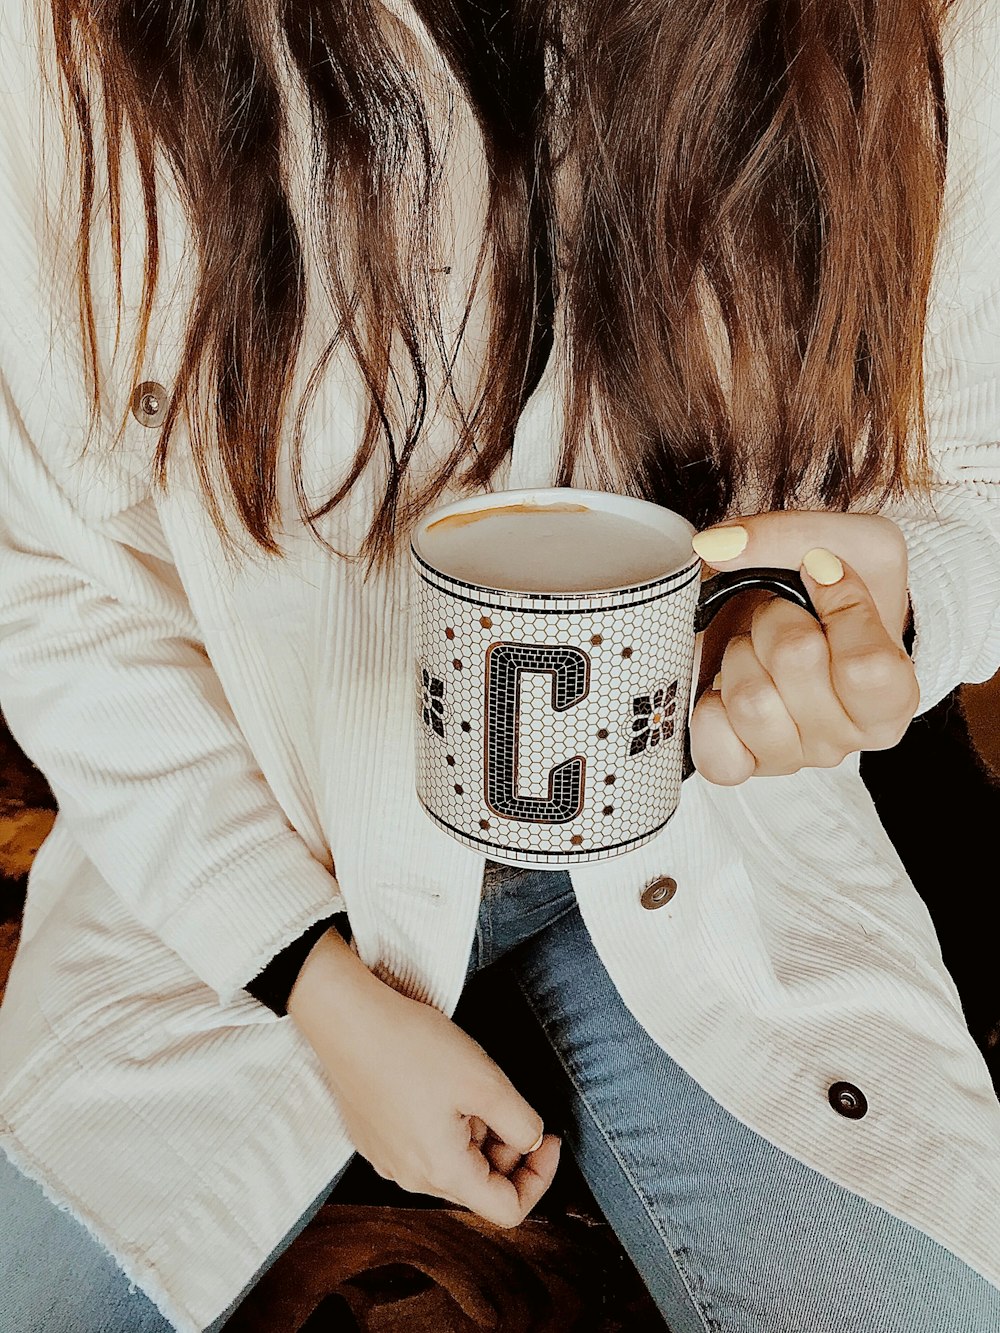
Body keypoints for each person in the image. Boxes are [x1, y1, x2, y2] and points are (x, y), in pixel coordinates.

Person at [1, 0, 998, 1329]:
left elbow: (969, 476)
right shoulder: (74, 42)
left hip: (719, 847)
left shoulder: (916, 27)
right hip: (251, 846)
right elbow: (62, 594)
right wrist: (316, 987)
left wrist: (885, 601)